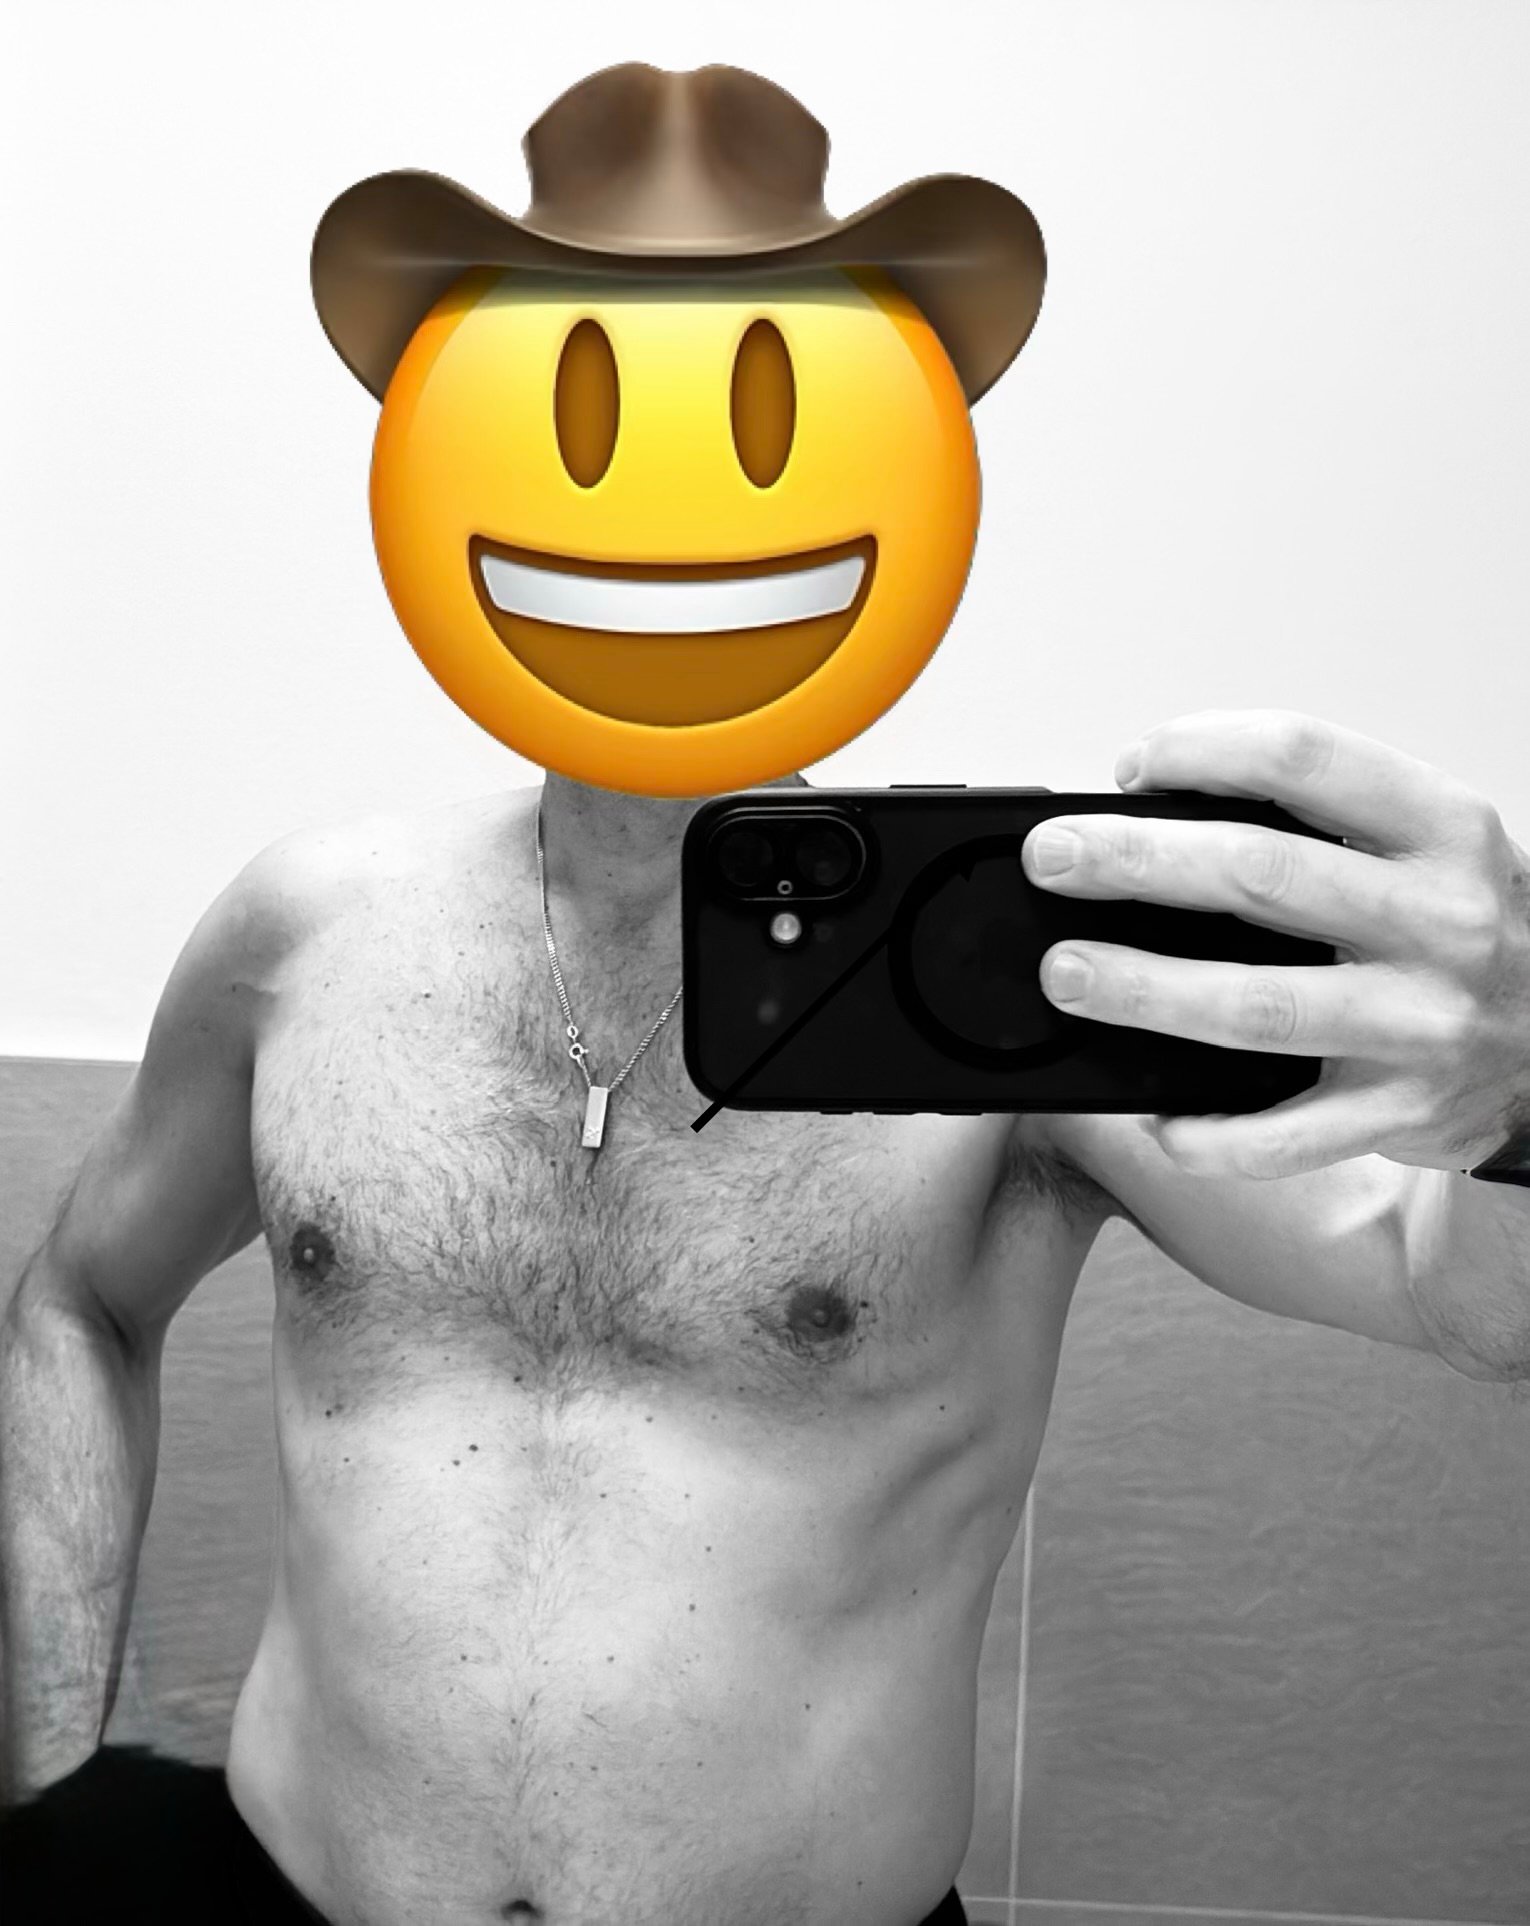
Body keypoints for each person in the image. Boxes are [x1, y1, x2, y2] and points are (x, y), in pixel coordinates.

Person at [4, 63, 1528, 1926]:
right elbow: (80, 1294)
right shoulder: (303, 938)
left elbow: (1457, 1297)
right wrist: (42, 1784)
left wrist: (1519, 1092)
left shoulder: (1008, 1000)